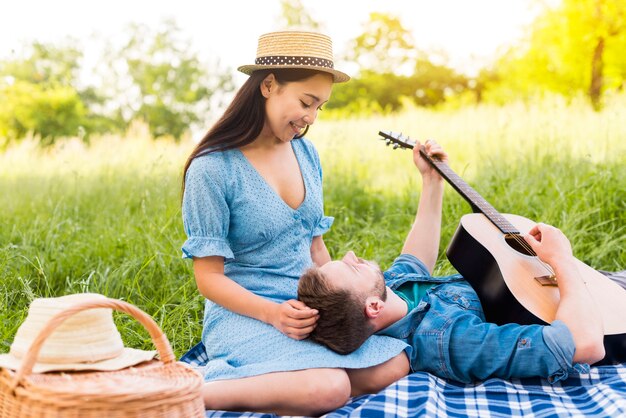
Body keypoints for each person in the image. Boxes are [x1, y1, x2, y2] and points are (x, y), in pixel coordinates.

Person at [180, 30, 409, 416]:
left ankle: (285, 385)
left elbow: (316, 247)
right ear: (268, 85)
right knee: (330, 386)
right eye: (307, 102)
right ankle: (192, 393)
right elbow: (209, 279)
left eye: (320, 107)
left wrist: (342, 303)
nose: (311, 117)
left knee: (396, 363)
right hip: (248, 312)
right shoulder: (213, 169)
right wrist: (273, 314)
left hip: (307, 307)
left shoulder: (306, 153)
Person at [298, 139, 606, 384]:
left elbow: (415, 257)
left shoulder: (393, 288)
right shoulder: (449, 338)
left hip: (567, 287)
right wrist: (562, 260)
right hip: (583, 307)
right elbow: (585, 345)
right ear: (373, 308)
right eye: (351, 267)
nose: (351, 254)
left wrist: (432, 180)